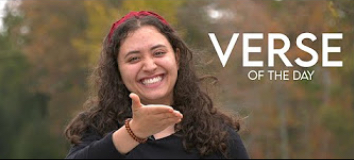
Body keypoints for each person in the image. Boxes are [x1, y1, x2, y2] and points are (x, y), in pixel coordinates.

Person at [64, 11, 249, 159]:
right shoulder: (96, 128)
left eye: (158, 53)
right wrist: (134, 132)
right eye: (134, 58)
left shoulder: (218, 135)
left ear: (176, 58)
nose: (150, 66)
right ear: (117, 70)